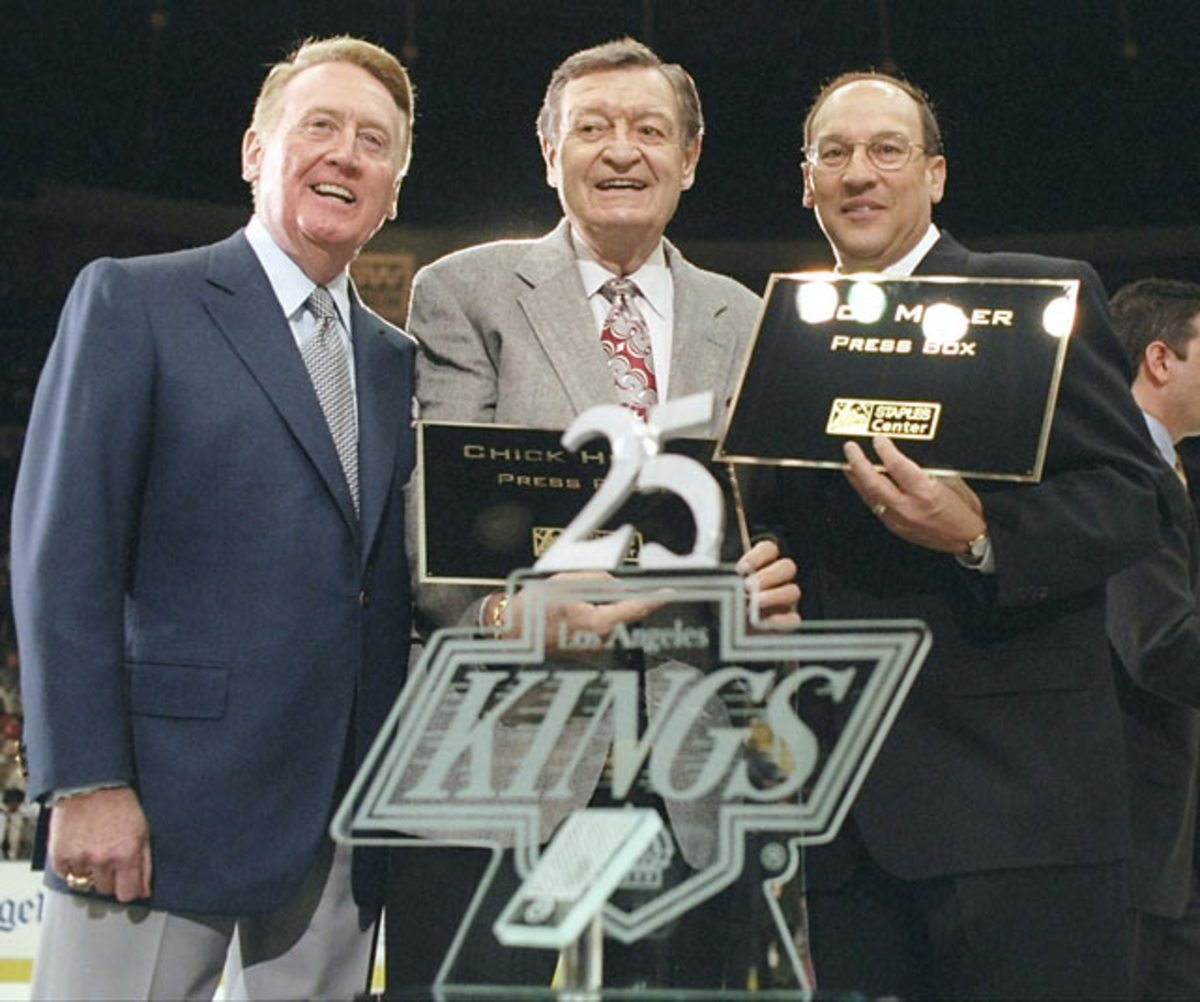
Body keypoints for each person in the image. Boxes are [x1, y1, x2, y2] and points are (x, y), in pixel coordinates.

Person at [10, 35, 416, 1000]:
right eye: (319, 126)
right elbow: (62, 554)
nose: (345, 155)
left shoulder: (394, 357)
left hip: (339, 825)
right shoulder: (136, 301)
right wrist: (84, 779)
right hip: (157, 812)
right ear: (253, 150)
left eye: (374, 141)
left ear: (394, 188)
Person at [393, 37, 799, 989]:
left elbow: (772, 515)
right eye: (593, 128)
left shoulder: (746, 319)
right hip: (501, 743)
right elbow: (429, 506)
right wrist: (499, 616)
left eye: (650, 130)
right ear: (549, 154)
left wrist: (774, 576)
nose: (623, 151)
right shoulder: (466, 292)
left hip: (695, 762)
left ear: (689, 159)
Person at [782, 70, 1167, 999]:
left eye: (887, 150)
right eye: (834, 154)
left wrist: (982, 531)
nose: (859, 174)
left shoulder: (1039, 296)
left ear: (937, 175)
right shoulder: (784, 331)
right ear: (807, 183)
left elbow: (1132, 499)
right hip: (846, 831)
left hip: (1020, 817)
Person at [1106, 278, 1200, 1000]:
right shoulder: (1124, 470)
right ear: (1162, 359)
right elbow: (1160, 643)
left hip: (1161, 841)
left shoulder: (1160, 466)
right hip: (1127, 837)